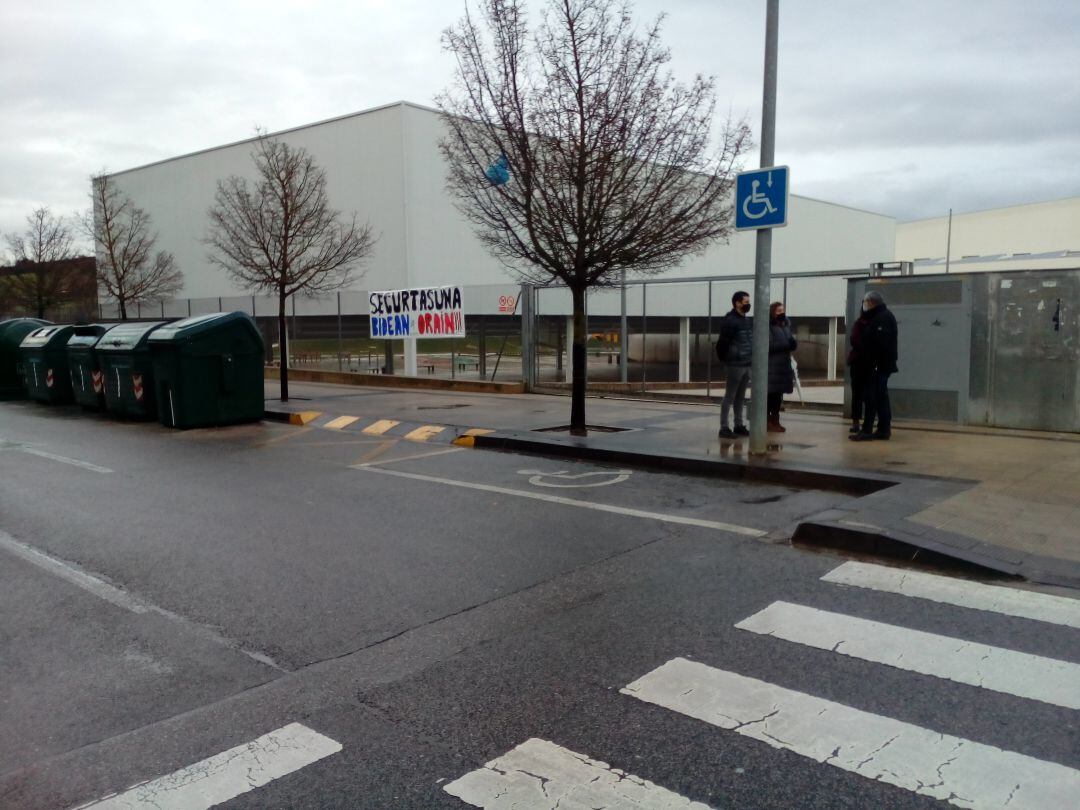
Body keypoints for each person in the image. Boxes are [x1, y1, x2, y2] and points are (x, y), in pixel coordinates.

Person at [849, 290, 898, 441]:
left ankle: (868, 429)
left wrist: (870, 360)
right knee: (881, 397)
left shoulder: (882, 318)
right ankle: (883, 429)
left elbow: (878, 344)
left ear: (871, 302)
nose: (864, 305)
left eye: (865, 302)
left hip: (877, 366)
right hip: (879, 365)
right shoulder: (880, 316)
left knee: (873, 397)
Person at [717, 290, 753, 438]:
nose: (748, 305)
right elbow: (722, 344)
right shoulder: (731, 321)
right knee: (730, 397)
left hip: (746, 363)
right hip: (735, 364)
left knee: (740, 397)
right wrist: (727, 359)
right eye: (745, 302)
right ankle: (724, 427)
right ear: (737, 303)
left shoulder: (746, 320)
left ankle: (739, 425)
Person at [767, 302, 797, 432]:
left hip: (783, 367)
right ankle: (767, 421)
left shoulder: (786, 325)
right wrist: (786, 343)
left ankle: (775, 420)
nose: (782, 313)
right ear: (773, 312)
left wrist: (793, 343)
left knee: (778, 396)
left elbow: (790, 340)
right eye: (779, 310)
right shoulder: (768, 326)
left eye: (783, 310)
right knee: (770, 395)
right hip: (772, 367)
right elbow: (768, 345)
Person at [846, 305, 874, 433]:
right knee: (858, 393)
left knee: (865, 394)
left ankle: (864, 422)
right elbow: (854, 340)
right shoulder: (860, 323)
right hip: (859, 363)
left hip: (866, 363)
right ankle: (856, 421)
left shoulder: (872, 322)